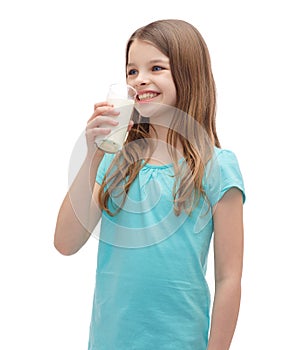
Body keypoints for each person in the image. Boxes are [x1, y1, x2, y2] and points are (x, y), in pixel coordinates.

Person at [54, 19, 246, 350]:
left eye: (155, 67)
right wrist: (92, 156)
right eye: (131, 71)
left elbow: (229, 278)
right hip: (109, 341)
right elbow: (65, 243)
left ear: (189, 74)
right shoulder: (115, 163)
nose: (140, 79)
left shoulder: (218, 167)